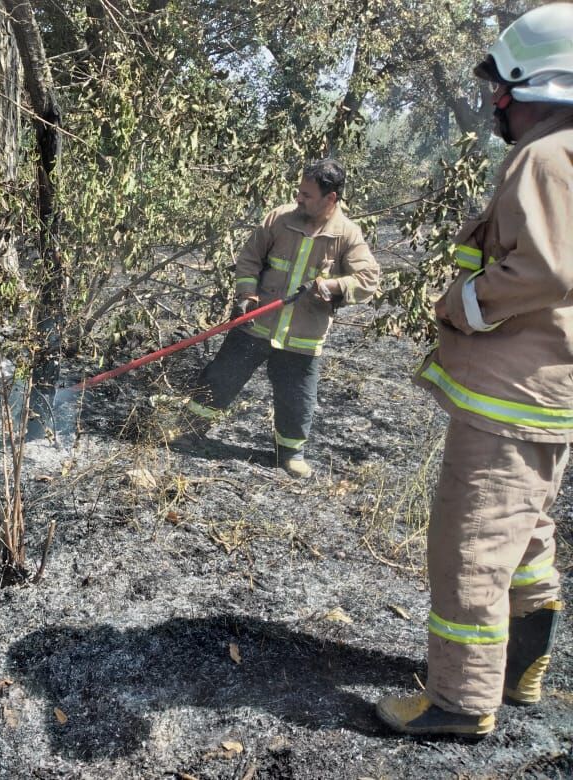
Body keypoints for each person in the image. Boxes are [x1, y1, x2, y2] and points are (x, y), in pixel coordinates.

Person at [376, 3, 573, 738]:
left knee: (470, 542)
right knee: (524, 530)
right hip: (547, 395)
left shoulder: (545, 157)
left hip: (510, 399)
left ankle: (459, 701)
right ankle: (526, 658)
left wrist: (463, 303)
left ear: (543, 89)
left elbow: (546, 271)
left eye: (505, 88)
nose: (494, 101)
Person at [184, 159, 379, 477]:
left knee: (297, 398)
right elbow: (249, 259)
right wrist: (247, 295)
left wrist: (333, 286)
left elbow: (369, 281)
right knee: (220, 377)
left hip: (303, 336)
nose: (299, 199)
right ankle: (188, 428)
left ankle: (289, 454)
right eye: (298, 192)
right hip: (256, 324)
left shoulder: (347, 235)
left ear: (331, 199)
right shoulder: (279, 218)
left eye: (307, 194)